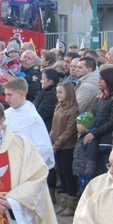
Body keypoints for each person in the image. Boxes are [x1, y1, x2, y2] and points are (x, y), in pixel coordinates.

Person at [83, 64, 113, 175]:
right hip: (96, 138)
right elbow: (93, 114)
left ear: (109, 80)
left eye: (101, 79)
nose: (99, 81)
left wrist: (94, 133)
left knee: (104, 172)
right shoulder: (100, 97)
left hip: (106, 141)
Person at [3, 78, 55, 169]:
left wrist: (22, 157)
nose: (6, 99)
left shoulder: (32, 118)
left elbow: (44, 148)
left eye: (10, 95)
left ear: (22, 94)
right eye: (5, 95)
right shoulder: (5, 114)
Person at [50, 82, 80, 216]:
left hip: (67, 146)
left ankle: (71, 204)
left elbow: (69, 131)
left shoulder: (73, 110)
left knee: (68, 175)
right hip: (57, 145)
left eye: (60, 92)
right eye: (57, 92)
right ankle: (63, 202)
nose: (58, 95)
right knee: (61, 173)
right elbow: (54, 126)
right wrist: (51, 139)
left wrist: (57, 144)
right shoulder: (58, 107)